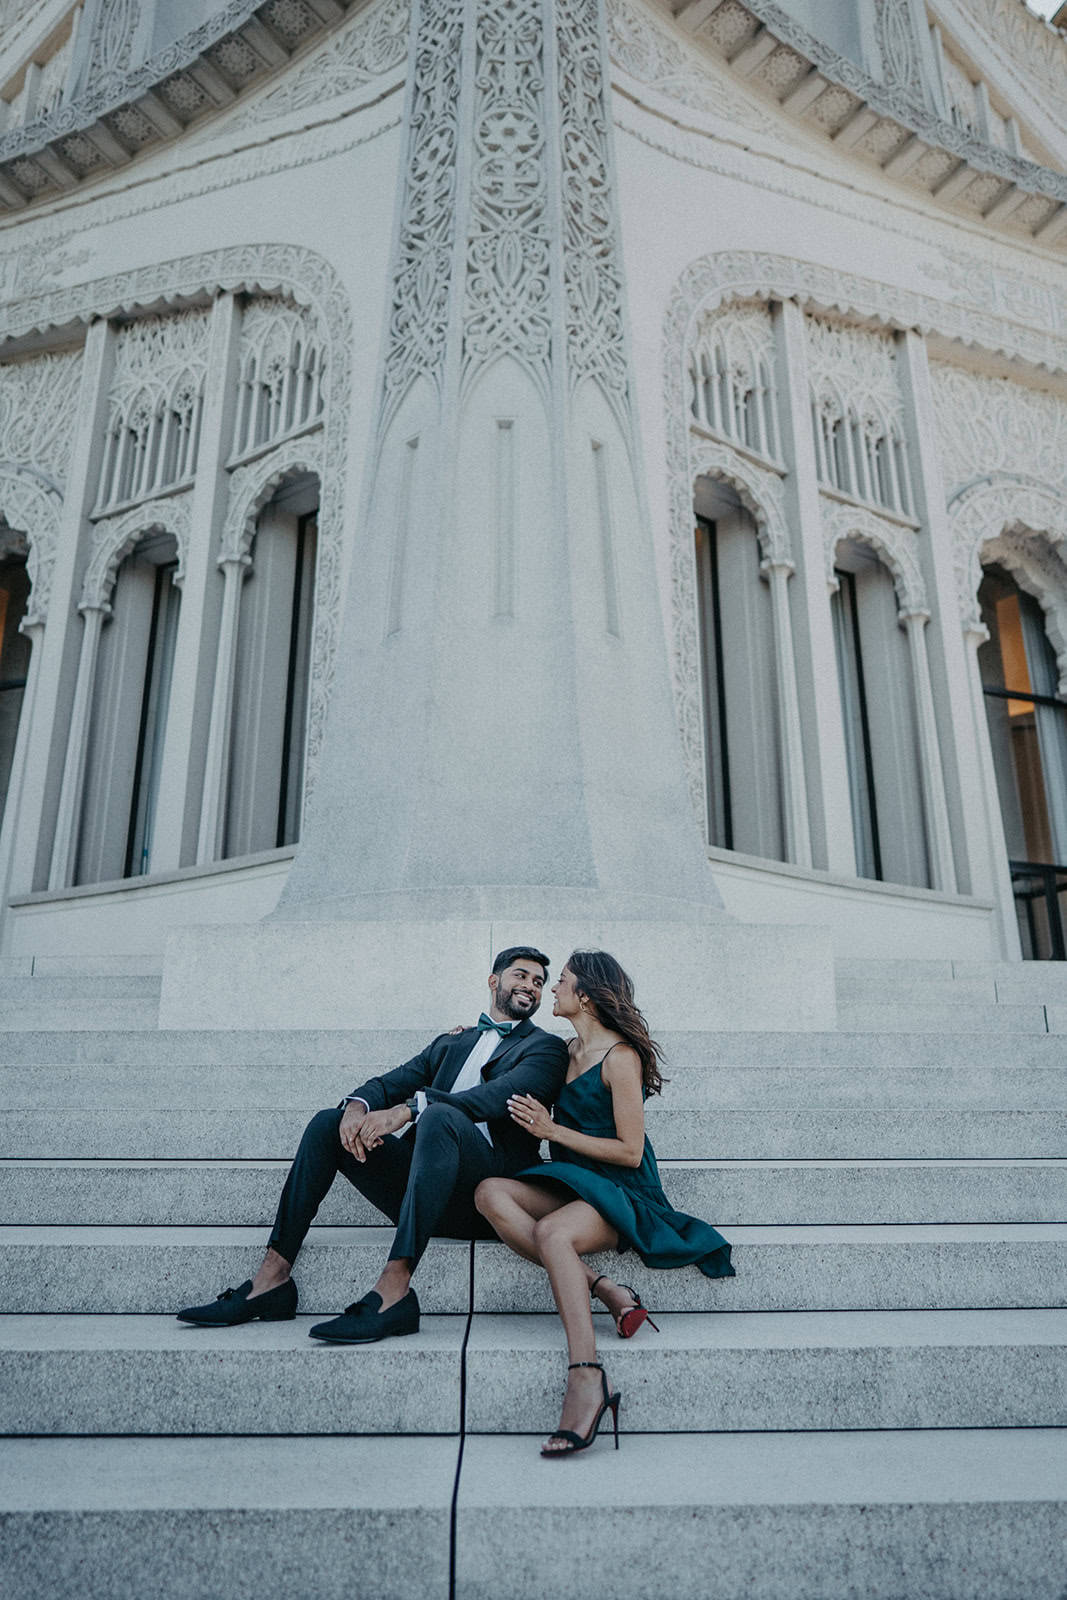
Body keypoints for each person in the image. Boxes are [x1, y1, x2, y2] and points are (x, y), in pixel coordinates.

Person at [177, 946, 569, 1344]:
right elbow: (389, 1082)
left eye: (538, 982)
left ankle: (394, 1291)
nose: (531, 986)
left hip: (485, 1199)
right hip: (423, 1187)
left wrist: (409, 1109)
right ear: (494, 981)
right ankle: (271, 1280)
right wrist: (357, 1107)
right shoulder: (452, 1042)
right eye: (520, 975)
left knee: (438, 1114)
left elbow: (497, 1097)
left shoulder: (546, 1048)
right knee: (328, 1123)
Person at [475, 949, 734, 1456]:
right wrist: (475, 1035)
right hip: (573, 1181)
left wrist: (553, 1130)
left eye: (562, 981)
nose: (552, 989)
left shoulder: (621, 1058)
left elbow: (631, 1151)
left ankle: (587, 1375)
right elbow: (509, 1046)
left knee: (552, 1233)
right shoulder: (563, 1051)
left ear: (586, 996)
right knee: (490, 1193)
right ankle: (607, 1288)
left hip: (620, 1189)